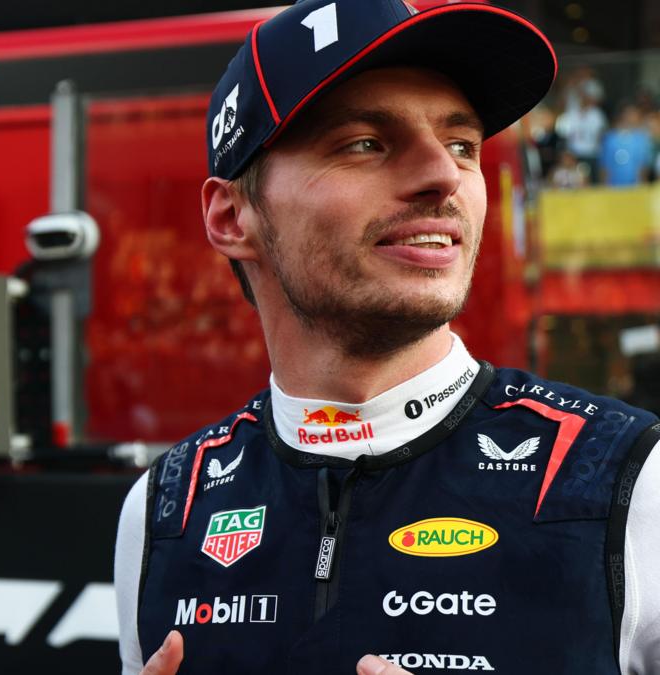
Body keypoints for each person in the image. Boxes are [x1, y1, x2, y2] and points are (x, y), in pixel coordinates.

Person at [114, 2, 660, 674]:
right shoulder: (165, 507)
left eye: (462, 145)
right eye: (365, 143)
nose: (444, 176)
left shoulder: (632, 479)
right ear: (232, 217)